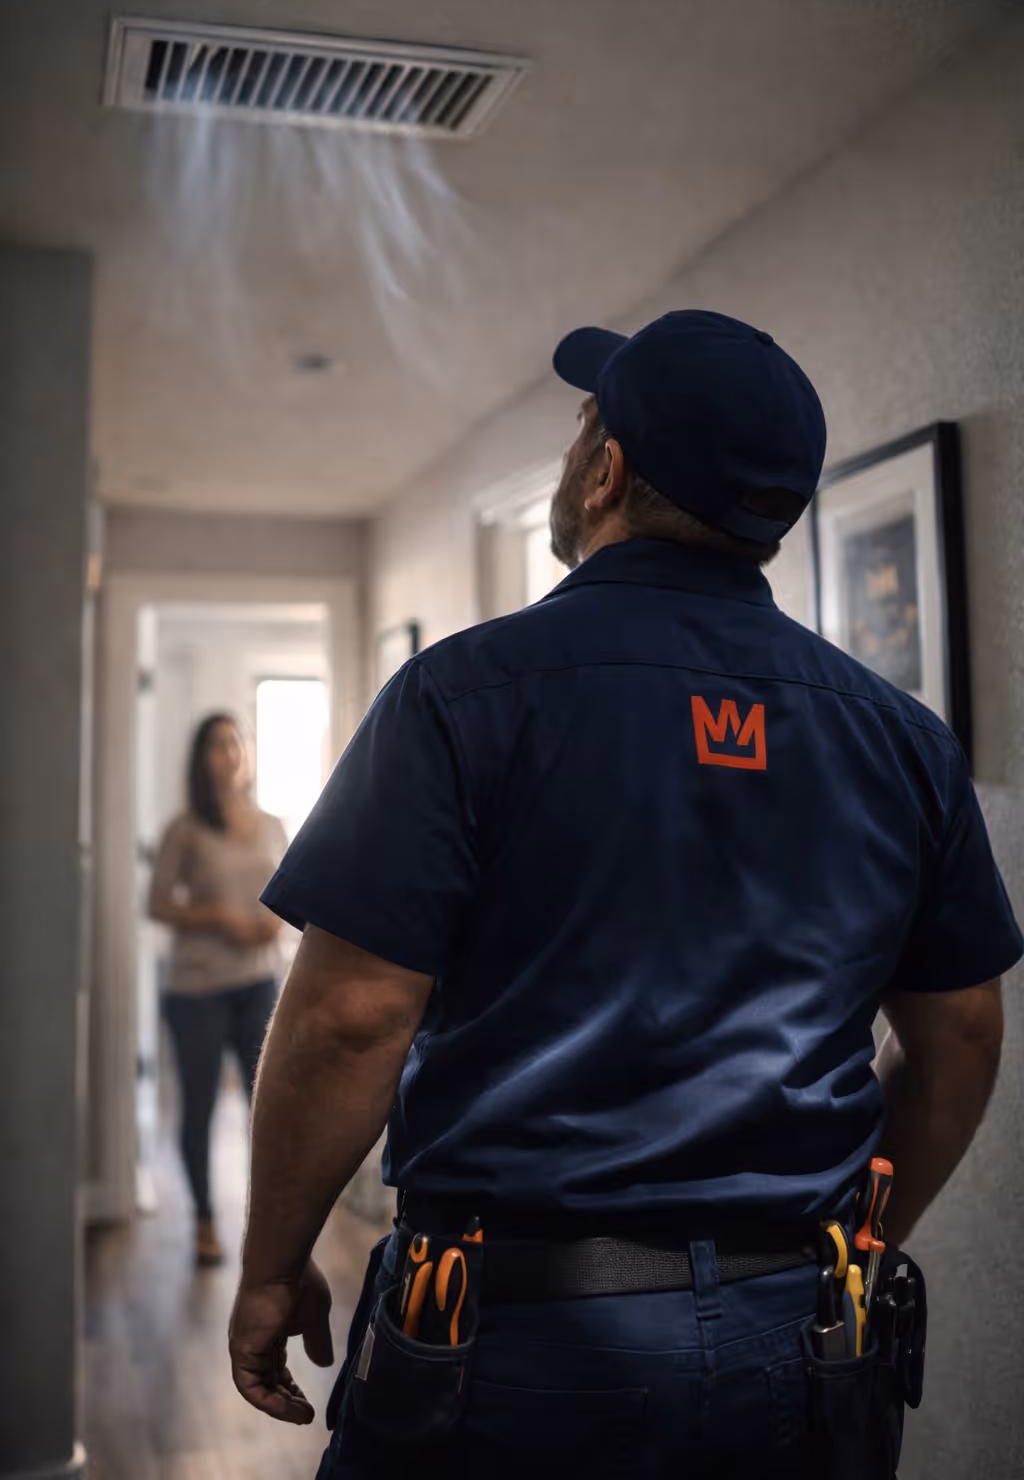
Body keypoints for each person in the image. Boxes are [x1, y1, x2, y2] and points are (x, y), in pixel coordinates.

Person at [228, 311, 1020, 1477]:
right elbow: (958, 1030)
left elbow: (350, 1017)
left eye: (579, 430)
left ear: (603, 472)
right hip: (804, 1339)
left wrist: (269, 1265)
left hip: (513, 1343)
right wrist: (847, 1245)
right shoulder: (900, 739)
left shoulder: (460, 698)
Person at [150, 712, 287, 1266]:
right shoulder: (184, 828)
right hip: (197, 989)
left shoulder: (273, 823)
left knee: (269, 1110)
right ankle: (205, 1220)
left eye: (235, 742)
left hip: (259, 983)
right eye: (215, 744)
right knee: (201, 1107)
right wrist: (221, 918)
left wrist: (277, 920)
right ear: (201, 758)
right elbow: (157, 904)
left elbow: (290, 890)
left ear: (246, 753)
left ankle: (270, 1226)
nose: (227, 752)